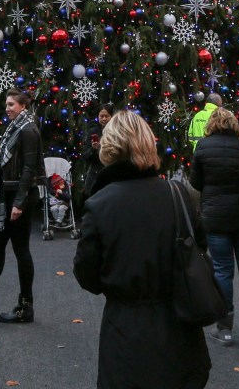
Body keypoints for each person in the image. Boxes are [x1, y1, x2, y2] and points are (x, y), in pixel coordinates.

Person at [74, 111, 210, 389]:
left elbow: (87, 274)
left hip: (126, 329)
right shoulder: (176, 194)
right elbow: (200, 247)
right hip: (180, 325)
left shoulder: (100, 205)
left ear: (109, 147)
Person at [190, 107, 239, 346]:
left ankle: (225, 327)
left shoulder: (203, 147)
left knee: (222, 270)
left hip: (217, 218)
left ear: (211, 124)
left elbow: (196, 182)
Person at [0, 89, 42, 324]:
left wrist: (19, 202)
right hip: (8, 196)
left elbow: (29, 168)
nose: (7, 108)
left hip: (18, 197)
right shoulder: (16, 128)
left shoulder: (28, 129)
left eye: (11, 105)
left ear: (23, 107)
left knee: (19, 249)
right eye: (6, 104)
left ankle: (25, 306)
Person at [78, 104, 113, 205]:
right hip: (95, 172)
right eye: (101, 116)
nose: (104, 119)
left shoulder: (117, 132)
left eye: (106, 116)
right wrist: (94, 149)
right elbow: (85, 156)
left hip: (111, 172)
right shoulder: (93, 132)